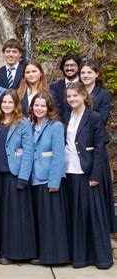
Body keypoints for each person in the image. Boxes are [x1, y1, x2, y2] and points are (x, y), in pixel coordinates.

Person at [64, 82, 113, 269]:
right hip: (70, 172)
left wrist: (95, 175)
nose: (72, 99)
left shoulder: (94, 117)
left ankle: (101, 259)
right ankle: (80, 257)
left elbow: (100, 149)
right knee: (76, 216)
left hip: (88, 173)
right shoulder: (66, 117)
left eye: (75, 95)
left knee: (94, 215)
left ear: (84, 96)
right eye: (69, 96)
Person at [0, 89, 36, 264]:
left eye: (10, 102)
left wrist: (23, 178)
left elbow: (28, 152)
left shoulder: (23, 123)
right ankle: (1, 250)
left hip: (15, 175)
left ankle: (16, 254)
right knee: (1, 215)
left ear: (16, 104)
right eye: (4, 102)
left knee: (16, 216)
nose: (7, 105)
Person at [28, 92, 69, 265]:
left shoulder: (56, 126)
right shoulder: (29, 126)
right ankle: (42, 254)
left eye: (42, 106)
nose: (39, 109)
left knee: (52, 221)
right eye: (36, 105)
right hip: (34, 179)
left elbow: (58, 156)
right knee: (41, 220)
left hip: (49, 180)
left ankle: (55, 258)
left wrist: (54, 182)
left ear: (49, 108)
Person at [79, 60, 115, 233]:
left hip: (96, 144)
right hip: (78, 147)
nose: (85, 75)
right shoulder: (75, 93)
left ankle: (103, 227)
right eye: (83, 73)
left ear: (96, 74)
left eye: (89, 72)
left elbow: (101, 119)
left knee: (98, 185)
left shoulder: (103, 94)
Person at [50, 55, 81, 121]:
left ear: (78, 67)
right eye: (66, 65)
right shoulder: (53, 88)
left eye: (72, 65)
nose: (69, 68)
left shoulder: (85, 86)